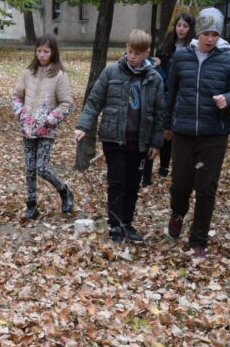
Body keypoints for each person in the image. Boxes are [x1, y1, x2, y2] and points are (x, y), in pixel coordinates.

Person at [165, 7, 230, 258]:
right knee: (180, 186)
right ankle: (178, 212)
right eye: (206, 33)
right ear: (197, 33)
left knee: (206, 188)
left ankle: (198, 240)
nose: (210, 39)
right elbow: (171, 93)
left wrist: (228, 99)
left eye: (214, 34)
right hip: (184, 131)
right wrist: (167, 125)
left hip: (214, 133)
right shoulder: (181, 58)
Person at [74, 30, 164, 243]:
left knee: (133, 183)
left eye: (138, 53)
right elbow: (94, 101)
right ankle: (115, 225)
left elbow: (160, 113)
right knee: (116, 181)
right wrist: (83, 126)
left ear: (146, 53)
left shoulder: (155, 78)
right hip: (114, 138)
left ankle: (127, 223)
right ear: (126, 47)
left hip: (140, 141)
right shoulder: (111, 72)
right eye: (130, 51)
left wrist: (156, 142)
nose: (132, 56)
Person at [12, 34, 75, 220]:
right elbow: (17, 96)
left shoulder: (59, 75)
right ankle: (31, 205)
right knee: (30, 168)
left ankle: (64, 190)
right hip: (28, 128)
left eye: (46, 51)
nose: (41, 54)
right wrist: (20, 112)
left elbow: (66, 103)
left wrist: (51, 118)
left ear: (53, 52)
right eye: (39, 50)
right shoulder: (28, 73)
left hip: (46, 130)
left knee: (42, 167)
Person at [142, 12, 193, 187]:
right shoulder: (166, 46)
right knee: (163, 127)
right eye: (179, 25)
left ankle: (166, 165)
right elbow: (157, 68)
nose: (181, 29)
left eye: (185, 26)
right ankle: (155, 170)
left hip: (183, 92)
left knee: (173, 130)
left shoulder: (192, 47)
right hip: (165, 90)